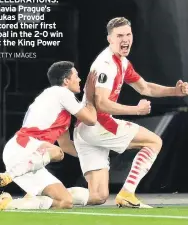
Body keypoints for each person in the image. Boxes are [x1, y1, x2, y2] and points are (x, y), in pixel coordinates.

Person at [73, 17, 188, 208]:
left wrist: (174, 91)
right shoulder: (106, 65)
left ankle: (44, 197)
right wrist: (137, 110)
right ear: (109, 38)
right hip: (98, 124)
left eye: (128, 34)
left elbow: (145, 88)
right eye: (119, 36)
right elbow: (101, 104)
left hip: (84, 130)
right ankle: (127, 193)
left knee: (98, 196)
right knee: (154, 141)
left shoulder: (122, 62)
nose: (125, 39)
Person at [0, 61, 97, 210]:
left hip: (30, 157)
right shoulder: (61, 92)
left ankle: (7, 204)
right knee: (57, 153)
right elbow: (91, 120)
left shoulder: (59, 108)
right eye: (76, 76)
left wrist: (93, 157)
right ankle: (8, 175)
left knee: (65, 201)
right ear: (66, 81)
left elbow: (66, 145)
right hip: (24, 147)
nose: (80, 80)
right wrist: (91, 96)